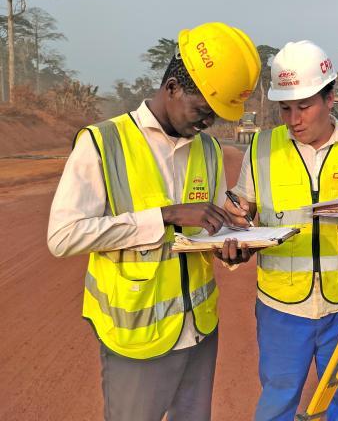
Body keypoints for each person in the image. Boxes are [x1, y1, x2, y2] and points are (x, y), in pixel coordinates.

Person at [47, 22, 261, 421]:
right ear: (173, 89)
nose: (206, 124)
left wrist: (234, 249)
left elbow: (210, 228)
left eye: (214, 117)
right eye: (202, 111)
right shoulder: (102, 143)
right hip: (135, 338)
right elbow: (63, 236)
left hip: (199, 331)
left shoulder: (209, 149)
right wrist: (164, 216)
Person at [227, 40, 338, 421]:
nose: (294, 120)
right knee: (278, 399)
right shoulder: (262, 148)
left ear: (330, 99)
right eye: (285, 109)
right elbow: (242, 207)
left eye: (304, 107)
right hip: (282, 308)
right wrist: (237, 226)